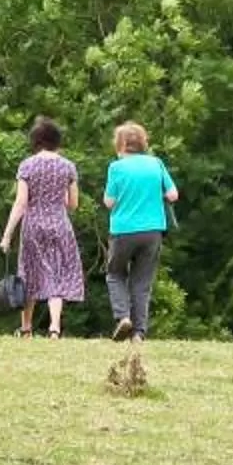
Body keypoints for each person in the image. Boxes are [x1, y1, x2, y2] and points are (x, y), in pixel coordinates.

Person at [0, 116, 85, 337]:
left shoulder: (27, 165)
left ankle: (26, 327)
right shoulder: (68, 167)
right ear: (57, 141)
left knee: (29, 273)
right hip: (59, 224)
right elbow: (73, 204)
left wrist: (7, 235)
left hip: (33, 225)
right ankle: (55, 327)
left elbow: (21, 203)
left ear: (36, 141)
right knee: (56, 274)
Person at [100, 120, 178, 343]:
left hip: (123, 230)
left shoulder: (116, 168)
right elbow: (173, 195)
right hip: (153, 230)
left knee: (115, 274)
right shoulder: (156, 164)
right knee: (142, 282)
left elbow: (108, 202)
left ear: (121, 144)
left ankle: (123, 317)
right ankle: (139, 333)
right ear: (142, 142)